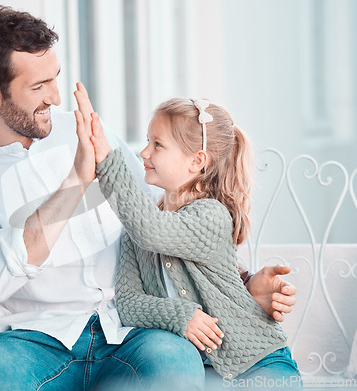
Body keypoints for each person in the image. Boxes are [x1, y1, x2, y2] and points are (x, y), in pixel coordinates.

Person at [0, 5, 297, 390]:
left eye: (55, 79)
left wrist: (242, 284)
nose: (55, 97)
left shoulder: (84, 130)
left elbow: (166, 217)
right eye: (38, 87)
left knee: (176, 367)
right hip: (28, 339)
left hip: (130, 327)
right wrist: (76, 182)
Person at [82, 92, 302, 388]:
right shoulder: (138, 229)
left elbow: (152, 230)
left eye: (157, 144)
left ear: (196, 161)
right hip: (204, 370)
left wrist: (108, 161)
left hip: (258, 360)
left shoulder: (211, 215)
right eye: (147, 141)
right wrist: (181, 315)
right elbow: (129, 303)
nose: (144, 153)